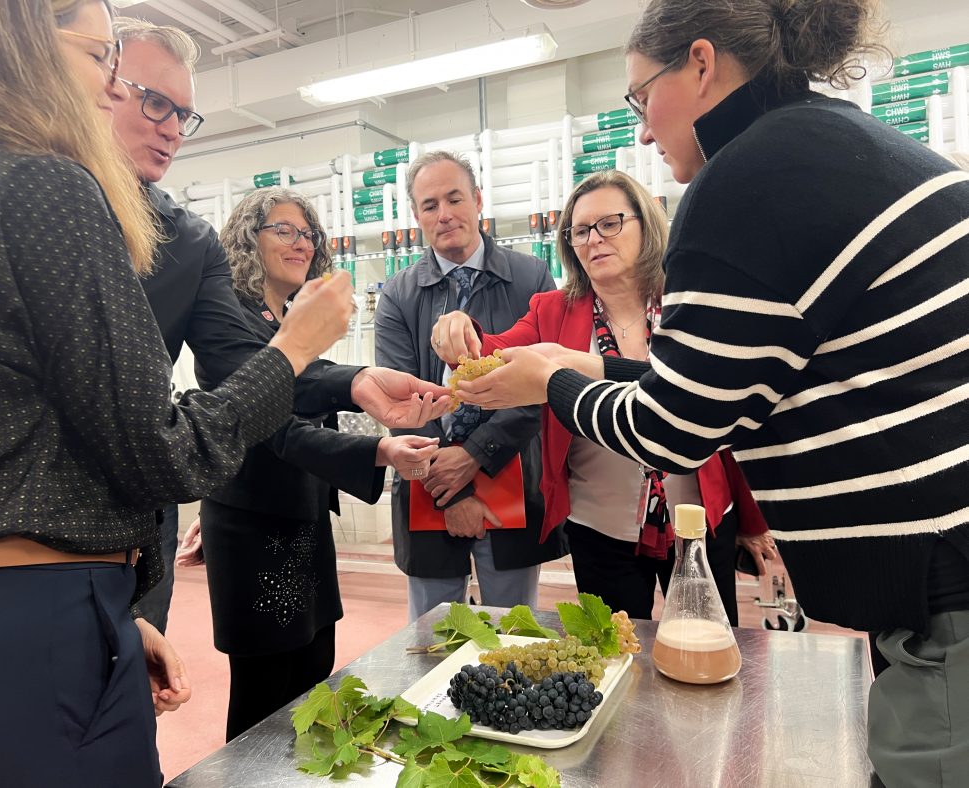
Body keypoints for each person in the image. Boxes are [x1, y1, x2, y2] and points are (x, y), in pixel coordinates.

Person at [455, 1, 969, 784]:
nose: (642, 131)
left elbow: (676, 429)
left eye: (640, 97)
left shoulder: (747, 178)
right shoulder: (835, 142)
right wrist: (579, 366)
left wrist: (551, 381)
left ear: (700, 64)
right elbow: (725, 384)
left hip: (948, 587)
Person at [0, 1, 353, 785]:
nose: (108, 90)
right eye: (101, 60)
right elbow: (161, 454)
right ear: (24, 44)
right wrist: (293, 351)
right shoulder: (46, 187)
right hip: (36, 620)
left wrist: (110, 608)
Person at [110, 17, 450, 634]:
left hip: (158, 513)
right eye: (154, 101)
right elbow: (265, 415)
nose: (171, 129)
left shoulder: (186, 244)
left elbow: (256, 373)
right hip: (31, 532)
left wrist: (357, 381)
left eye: (183, 114)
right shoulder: (21, 203)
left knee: (148, 684)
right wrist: (374, 439)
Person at [431, 170, 773, 624]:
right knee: (615, 659)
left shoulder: (687, 302)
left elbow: (729, 411)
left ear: (645, 225)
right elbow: (496, 353)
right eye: (579, 231)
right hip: (599, 526)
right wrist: (459, 330)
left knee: (704, 649)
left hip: (696, 521)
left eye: (609, 223)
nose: (593, 239)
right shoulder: (552, 310)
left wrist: (752, 522)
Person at [177, 187, 439, 740]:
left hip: (302, 518)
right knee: (265, 700)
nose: (302, 243)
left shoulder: (288, 317)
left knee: (314, 673)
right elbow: (279, 430)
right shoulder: (231, 321)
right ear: (249, 239)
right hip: (253, 534)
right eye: (284, 230)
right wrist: (380, 450)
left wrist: (362, 382)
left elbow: (312, 382)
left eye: (308, 233)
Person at [374, 151, 567, 622]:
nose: (444, 214)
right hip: (428, 478)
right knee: (430, 635)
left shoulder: (530, 278)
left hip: (511, 469)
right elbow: (399, 404)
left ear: (478, 200)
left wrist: (476, 456)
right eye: (429, 205)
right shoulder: (397, 296)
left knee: (517, 631)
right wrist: (454, 491)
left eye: (455, 198)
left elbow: (540, 386)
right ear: (417, 217)